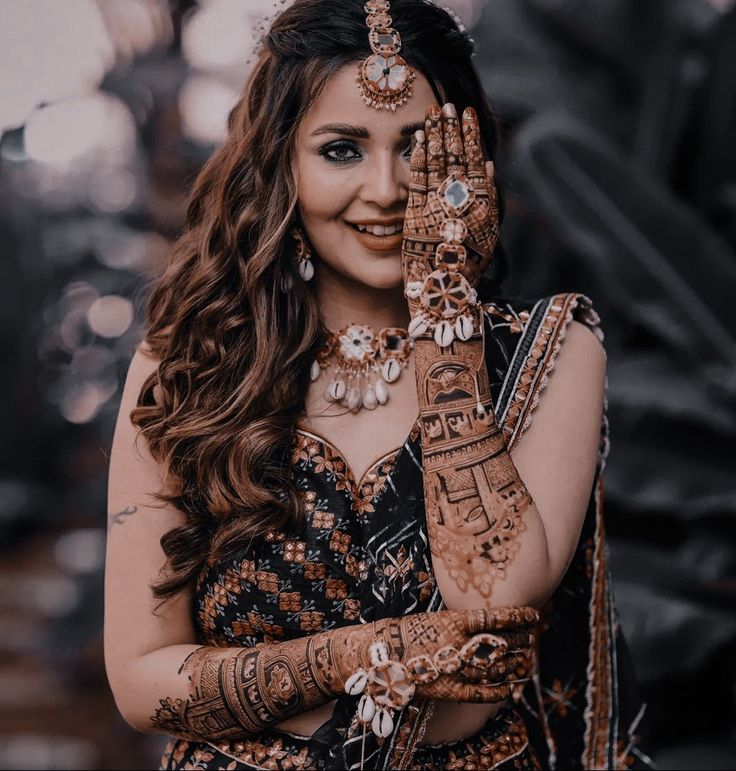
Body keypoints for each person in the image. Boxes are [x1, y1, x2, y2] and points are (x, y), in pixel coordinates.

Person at [104, 1, 652, 768]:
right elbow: (138, 680)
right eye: (341, 150)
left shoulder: (549, 351)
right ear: (280, 163)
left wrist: (442, 310)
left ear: (474, 168)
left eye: (423, 151)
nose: (390, 189)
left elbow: (490, 603)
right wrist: (370, 650)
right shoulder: (190, 364)